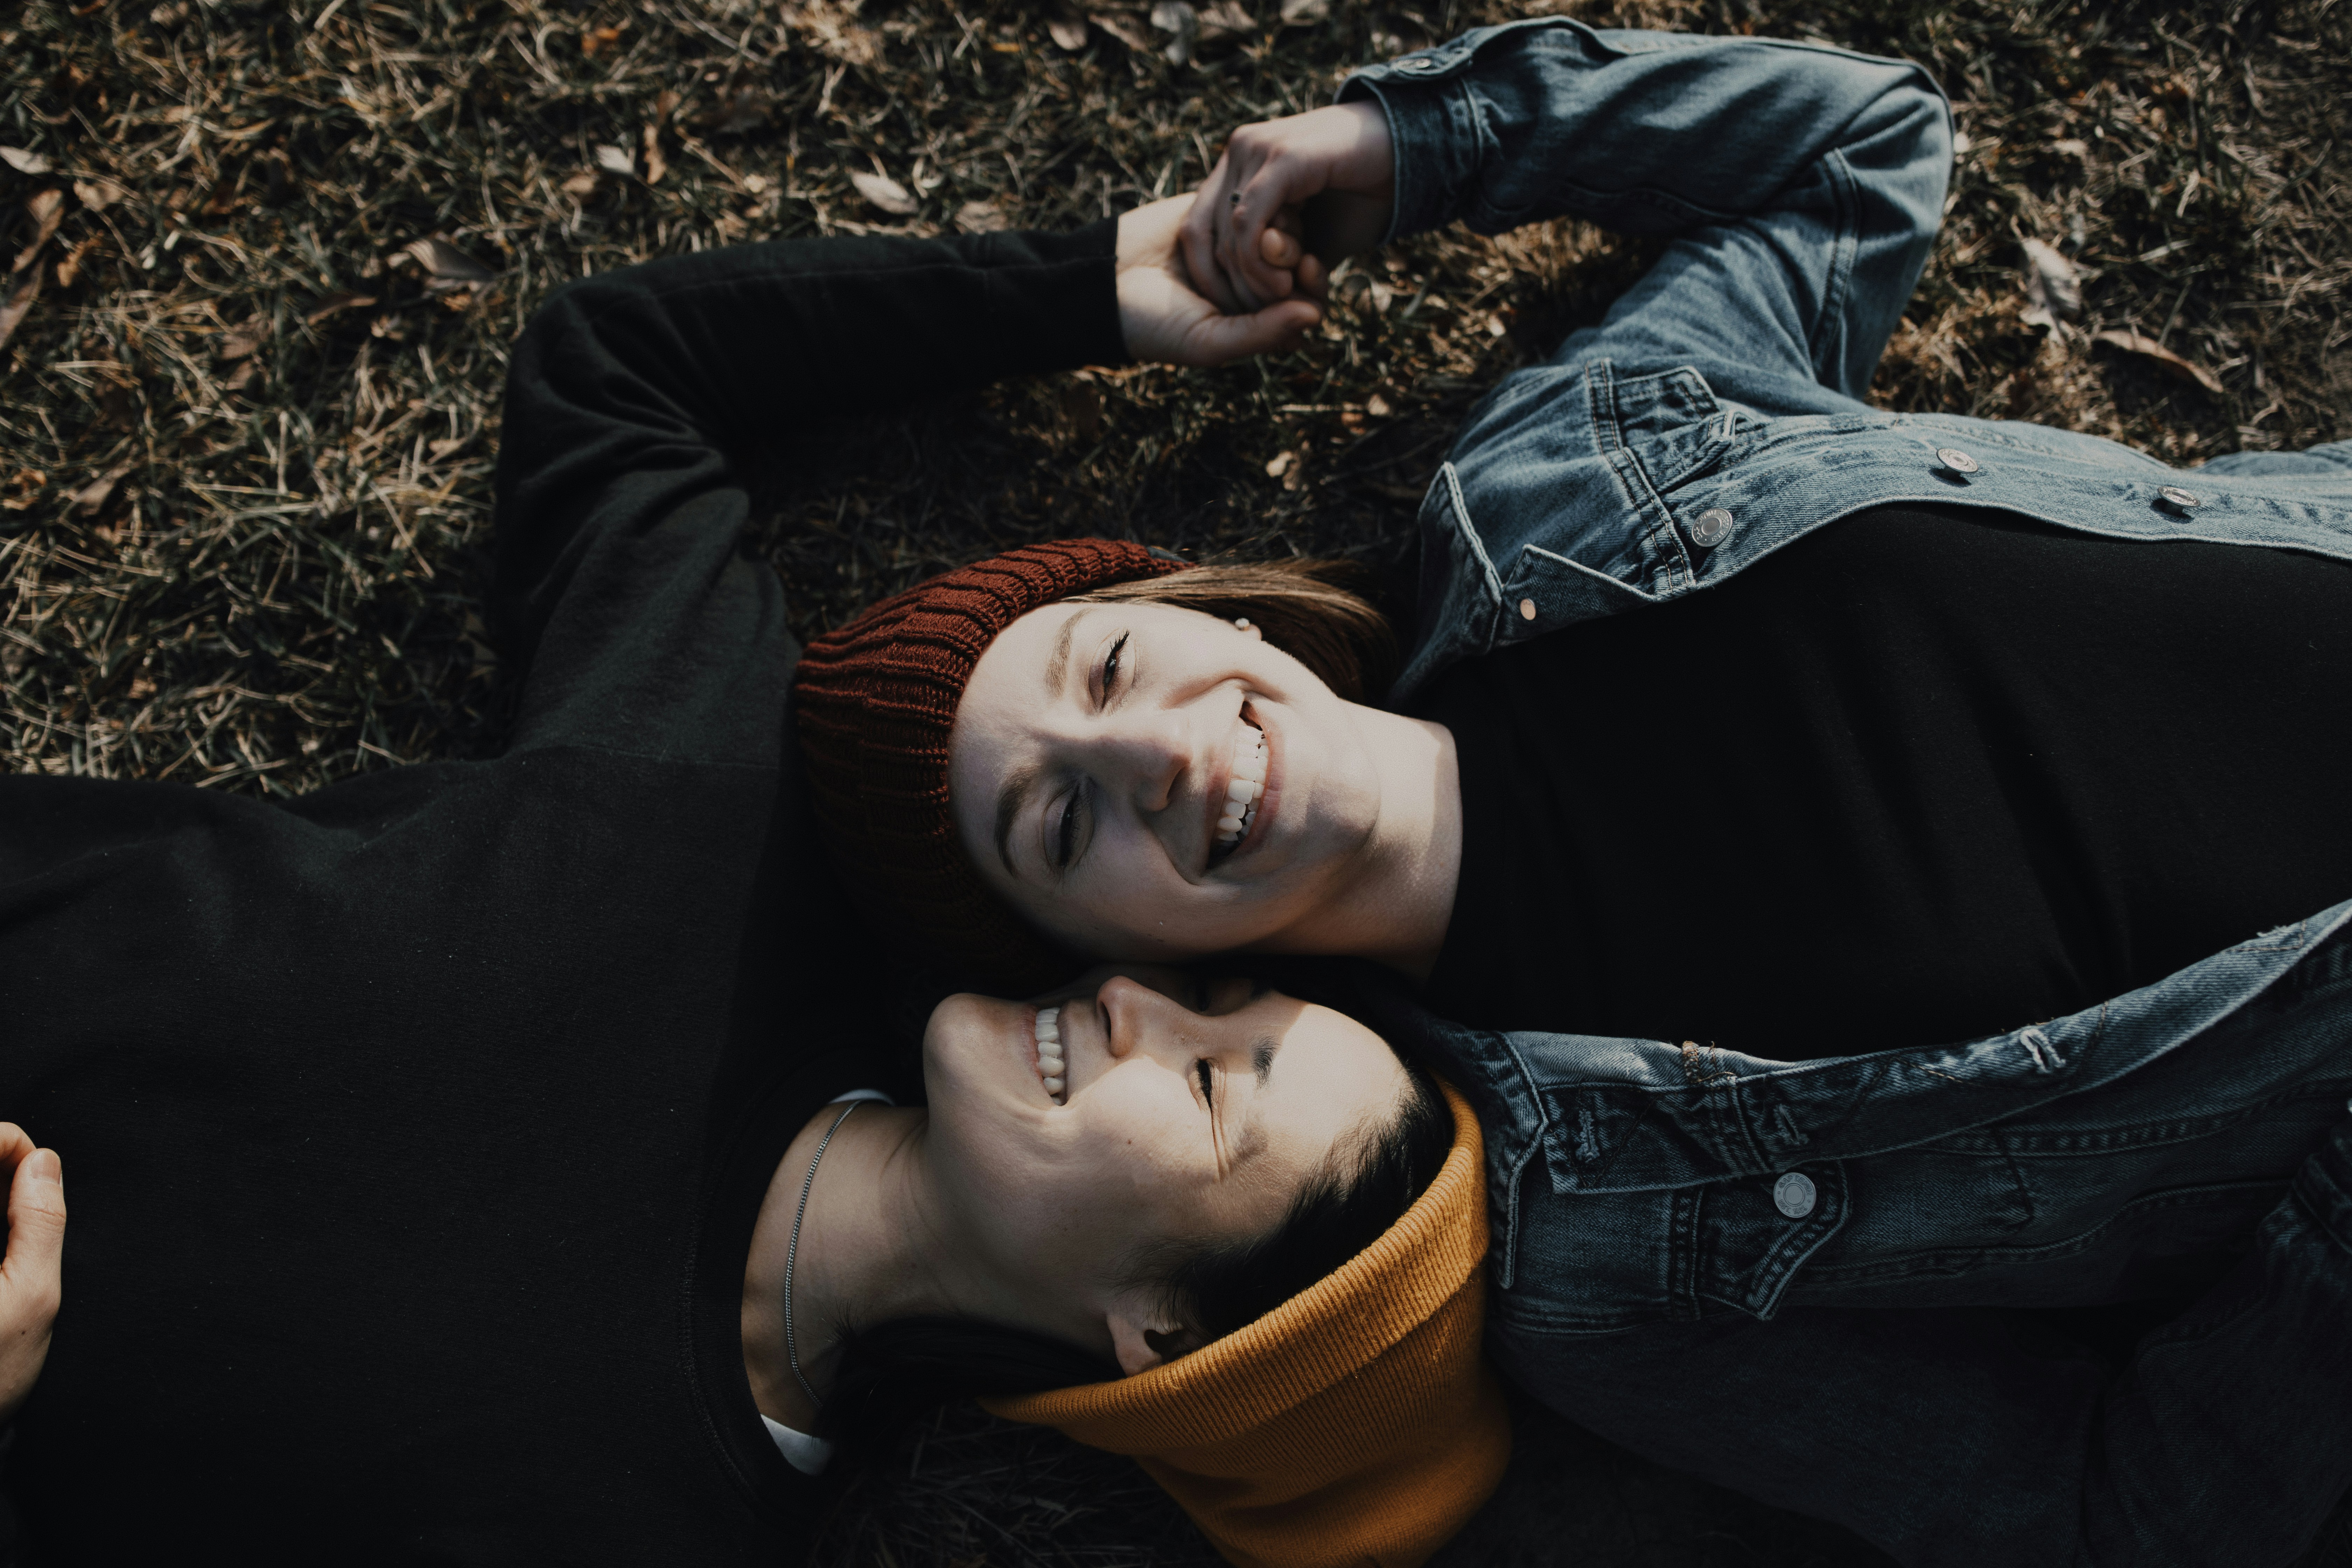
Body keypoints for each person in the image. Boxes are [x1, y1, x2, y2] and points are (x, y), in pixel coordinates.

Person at [791, 19, 2352, 1564]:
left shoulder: (1567, 475)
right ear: (1122, 961)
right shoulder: (1604, 1262)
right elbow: (2117, 1509)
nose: (1153, 754)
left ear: (1222, 613)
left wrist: (1428, 146)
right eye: (1061, 826)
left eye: (1115, 662)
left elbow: (1859, 146)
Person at [0, 198, 1513, 1565]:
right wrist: (1092, 289)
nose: (1128, 999)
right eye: (1207, 993)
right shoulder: (735, 835)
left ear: (1161, 1333)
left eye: (1204, 1087)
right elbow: (619, 370)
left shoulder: (641, 1525)